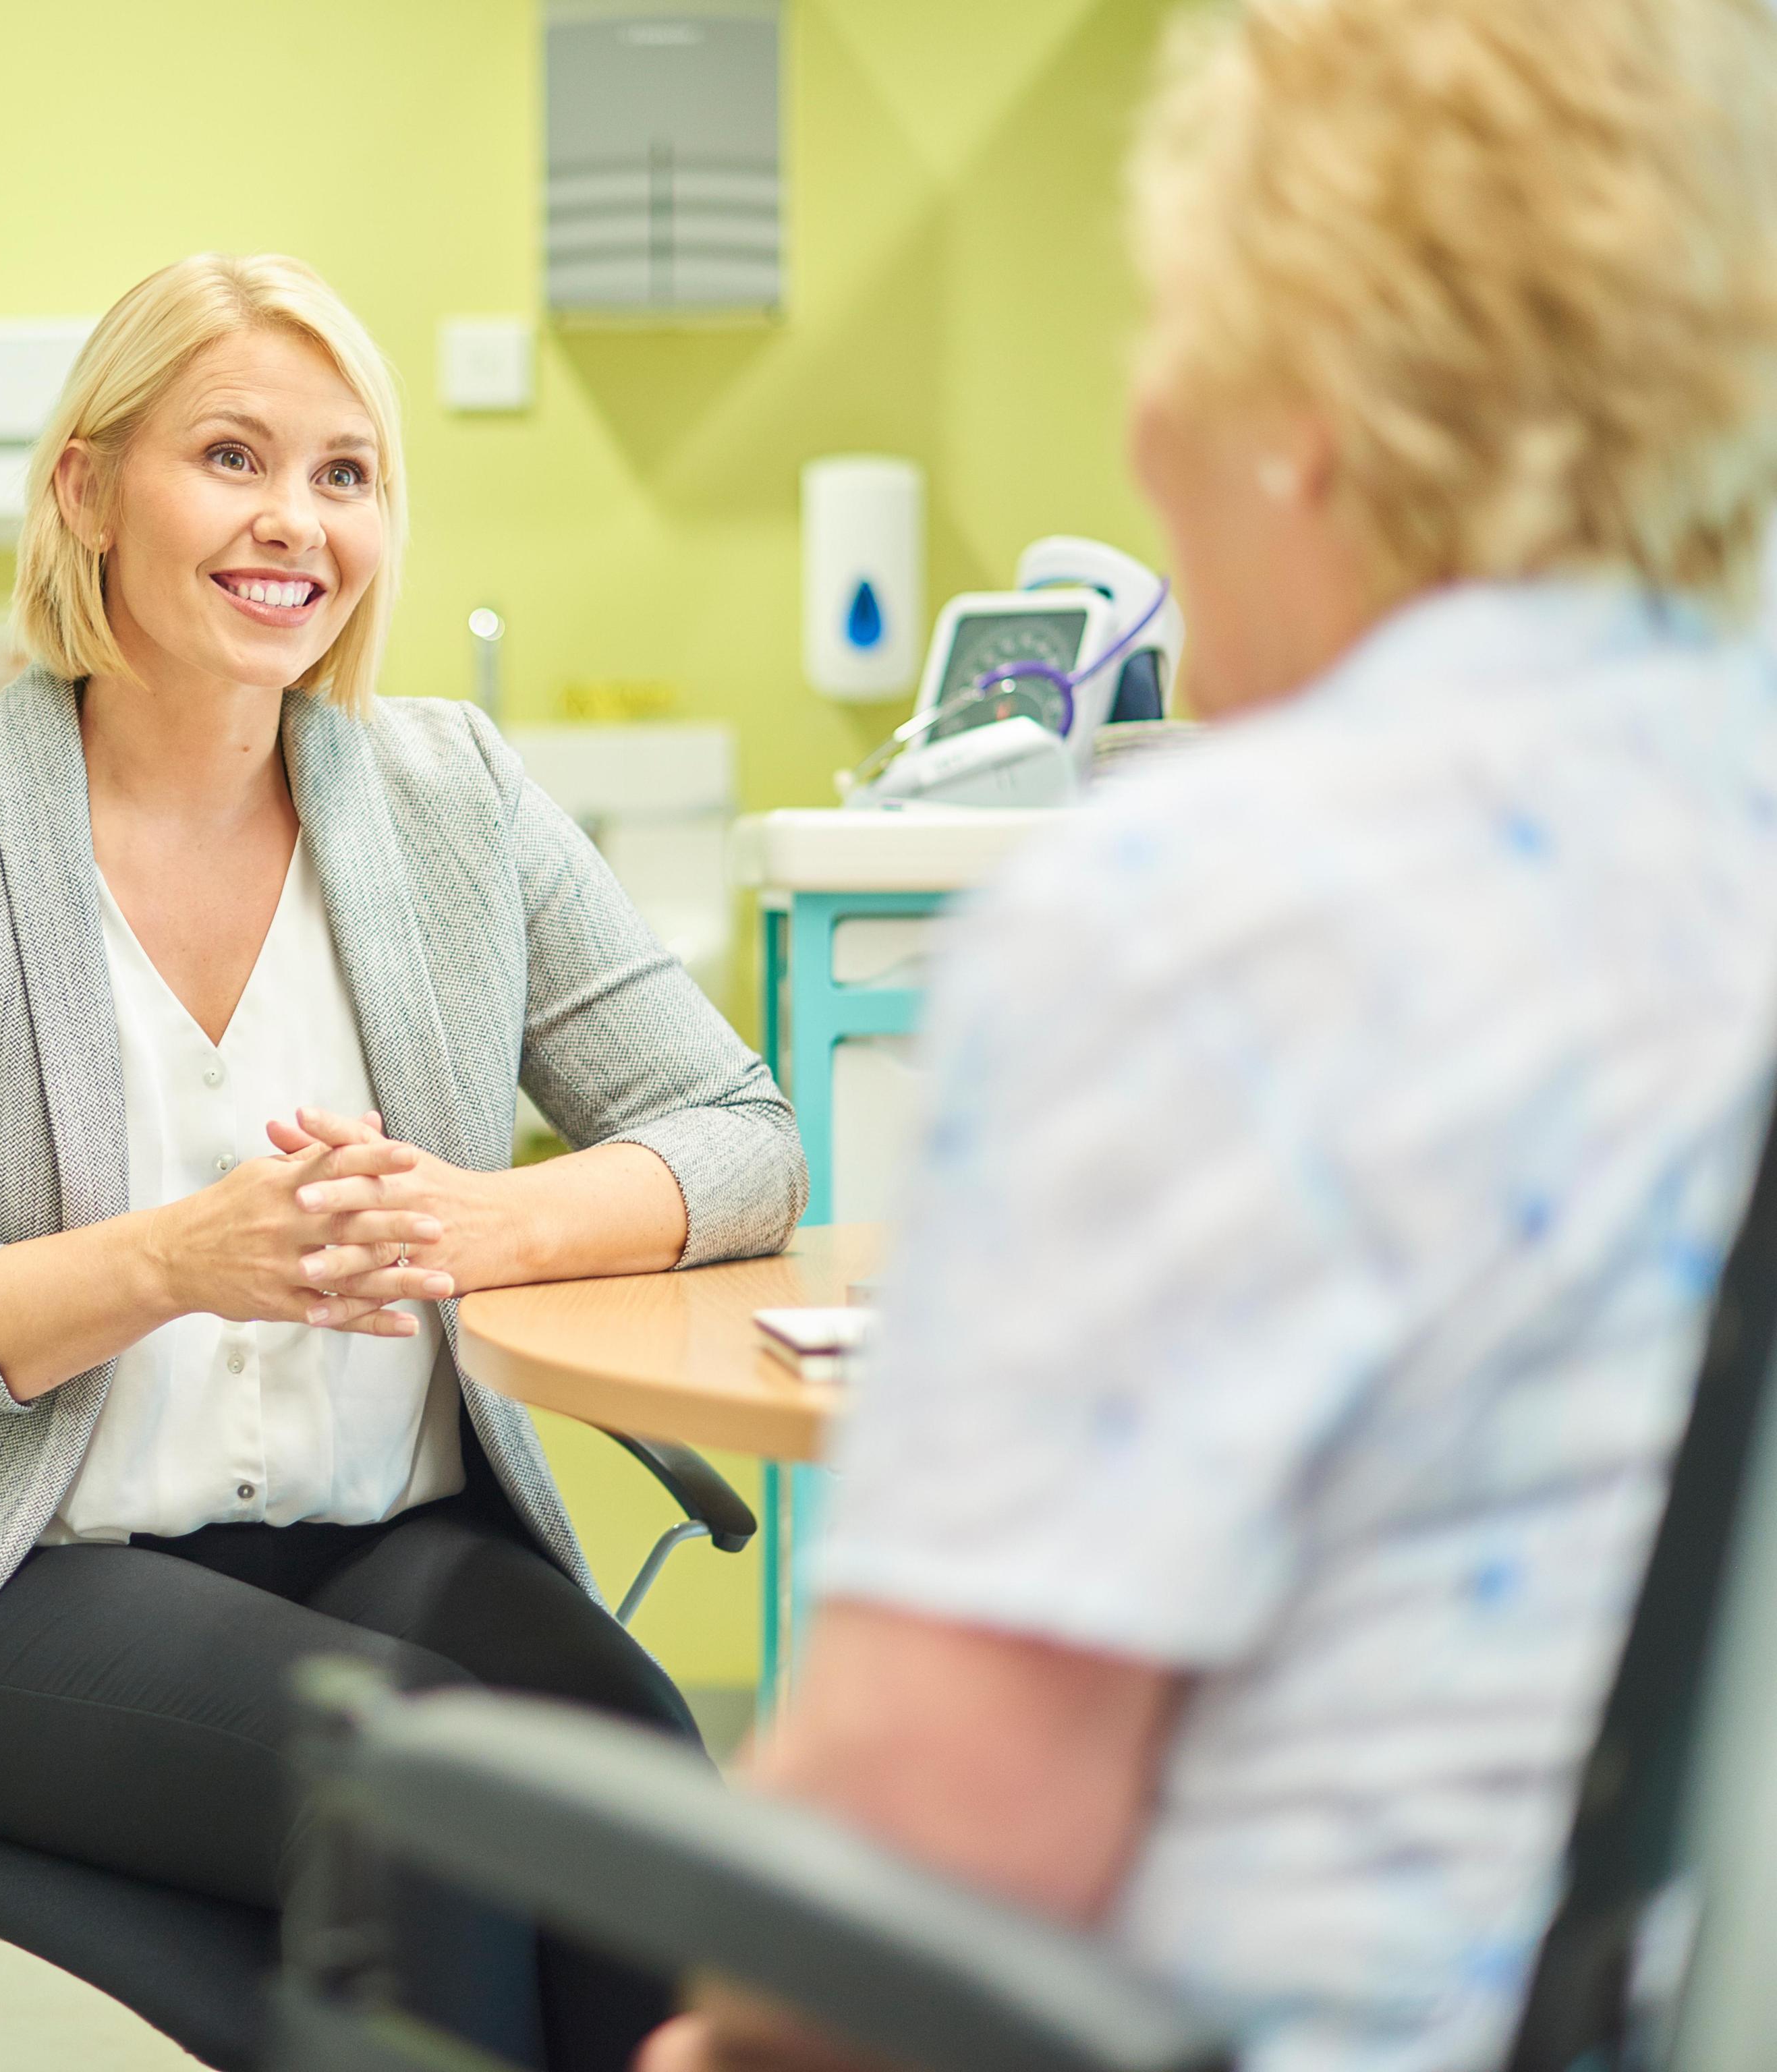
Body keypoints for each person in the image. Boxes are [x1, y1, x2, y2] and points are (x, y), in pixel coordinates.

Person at [644, 1, 1777, 2068]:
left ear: (1301, 405)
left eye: (1169, 339)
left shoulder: (1202, 914)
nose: (1146, 436)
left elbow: (911, 1877)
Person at [0, 253, 806, 2071]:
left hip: (389, 1535)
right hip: (8, 1583)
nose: (294, 521)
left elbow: (741, 1135)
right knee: (414, 1799)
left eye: (346, 474)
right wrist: (173, 1260)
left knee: (636, 1791)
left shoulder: (455, 802)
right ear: (86, 488)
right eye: (232, 456)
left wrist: (489, 1221)